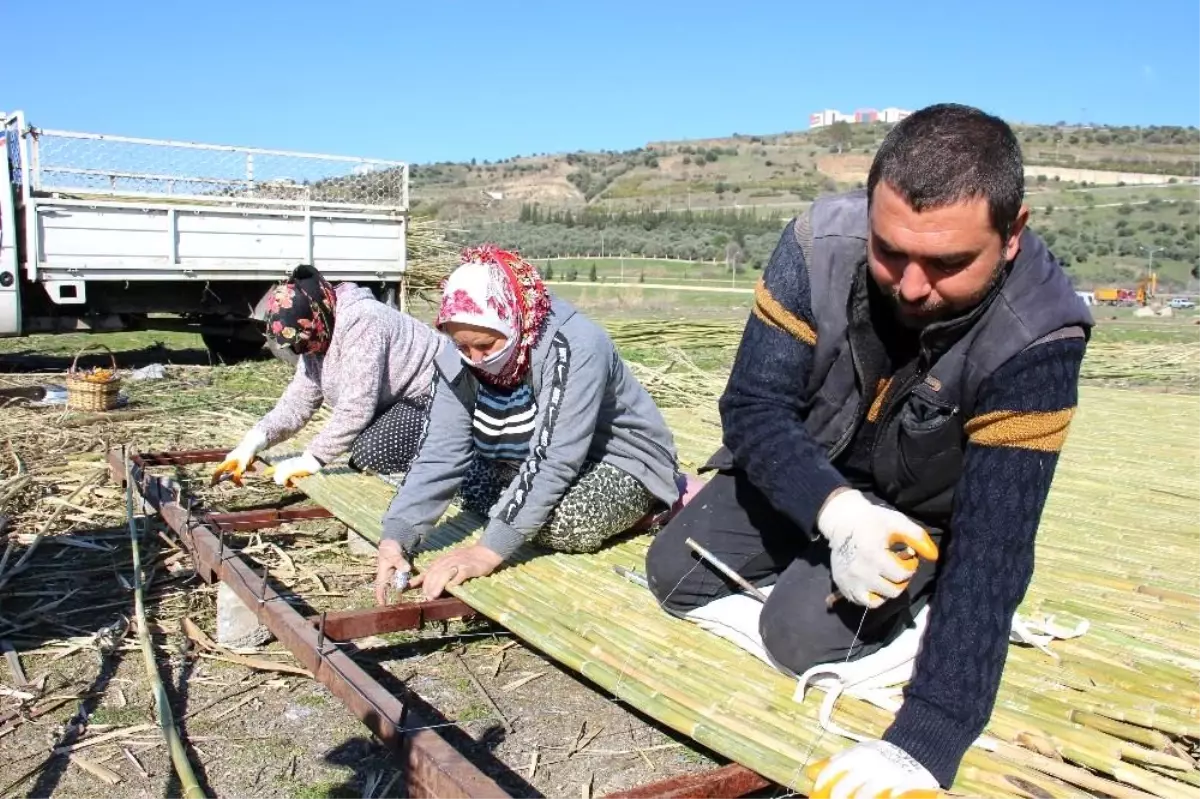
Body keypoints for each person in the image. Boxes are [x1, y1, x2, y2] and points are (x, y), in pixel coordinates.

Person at [644, 104, 1093, 795]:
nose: (912, 286)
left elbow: (996, 543)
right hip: (812, 473)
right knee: (674, 569)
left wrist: (929, 734)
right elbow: (753, 407)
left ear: (1012, 234)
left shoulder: (1039, 335)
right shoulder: (815, 246)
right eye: (890, 251)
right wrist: (838, 514)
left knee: (794, 634)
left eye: (947, 263)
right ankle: (823, 551)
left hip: (921, 511)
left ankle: (913, 599)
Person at [373, 245, 682, 603]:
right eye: (463, 346)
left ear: (513, 320)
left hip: (618, 459)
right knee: (469, 490)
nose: (475, 359)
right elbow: (440, 452)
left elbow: (555, 457)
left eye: (486, 346)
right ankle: (520, 508)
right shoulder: (458, 355)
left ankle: (649, 508)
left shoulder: (574, 344)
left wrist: (486, 552)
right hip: (529, 456)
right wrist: (398, 536)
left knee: (567, 522)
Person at [212, 264, 444, 488]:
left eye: (301, 342)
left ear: (314, 319)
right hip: (398, 399)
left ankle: (446, 464)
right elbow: (298, 403)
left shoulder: (363, 322)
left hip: (435, 391)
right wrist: (251, 444)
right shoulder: (319, 330)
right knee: (356, 443)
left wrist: (311, 459)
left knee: (372, 453)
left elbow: (357, 407)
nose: (299, 351)